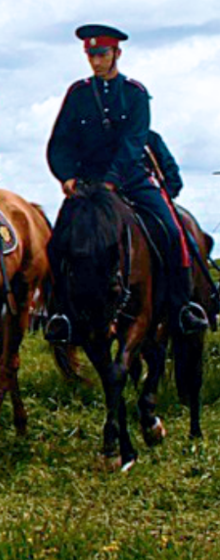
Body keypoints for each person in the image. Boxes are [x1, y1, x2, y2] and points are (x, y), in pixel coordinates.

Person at [45, 24, 206, 338]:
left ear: (116, 54)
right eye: (91, 55)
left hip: (130, 178)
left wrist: (113, 181)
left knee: (172, 231)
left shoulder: (135, 93)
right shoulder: (77, 94)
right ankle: (60, 312)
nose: (95, 61)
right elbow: (60, 142)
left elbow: (134, 142)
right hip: (88, 186)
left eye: (101, 54)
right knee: (57, 243)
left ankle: (182, 306)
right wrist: (66, 177)